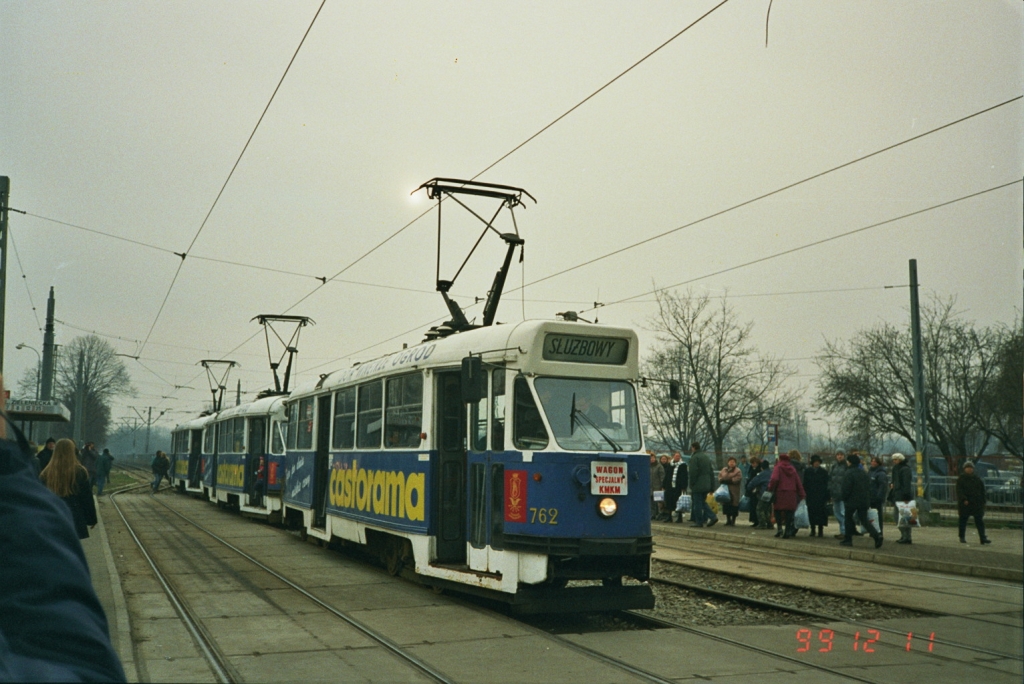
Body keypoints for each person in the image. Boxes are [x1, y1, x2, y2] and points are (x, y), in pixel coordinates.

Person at [39, 439, 97, 540]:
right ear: (72, 451)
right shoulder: (80, 471)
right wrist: (91, 519)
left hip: (52, 516)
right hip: (74, 516)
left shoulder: (46, 473)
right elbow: (86, 498)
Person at [839, 454, 882, 548]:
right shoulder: (863, 473)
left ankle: (848, 539)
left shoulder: (849, 473)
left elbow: (846, 488)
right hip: (864, 500)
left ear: (849, 462)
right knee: (864, 520)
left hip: (851, 501)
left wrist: (844, 497)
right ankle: (876, 535)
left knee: (848, 519)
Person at [768, 451, 805, 538]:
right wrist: (802, 494)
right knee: (789, 512)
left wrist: (770, 488)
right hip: (792, 493)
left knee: (778, 511)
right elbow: (798, 482)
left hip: (780, 493)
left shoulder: (778, 467)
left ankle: (779, 529)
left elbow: (774, 479)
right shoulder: (792, 469)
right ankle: (787, 531)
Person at [956, 461, 991, 545]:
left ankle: (982, 538)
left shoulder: (977, 479)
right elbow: (959, 491)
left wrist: (983, 500)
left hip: (977, 503)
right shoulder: (961, 479)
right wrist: (964, 499)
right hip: (965, 503)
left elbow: (982, 490)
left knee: (979, 521)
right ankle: (962, 536)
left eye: (971, 468)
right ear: (964, 469)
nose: (969, 469)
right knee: (963, 520)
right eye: (967, 468)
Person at [688, 442, 717, 527]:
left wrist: (692, 484)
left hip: (698, 484)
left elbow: (693, 472)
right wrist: (712, 486)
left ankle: (699, 521)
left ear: (693, 447)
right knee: (703, 502)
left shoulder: (694, 457)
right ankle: (712, 516)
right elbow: (711, 471)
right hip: (706, 484)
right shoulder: (706, 457)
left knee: (697, 504)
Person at [889, 452, 914, 544]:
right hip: (897, 495)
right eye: (893, 460)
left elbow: (906, 484)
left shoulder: (905, 469)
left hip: (903, 496)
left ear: (900, 459)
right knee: (899, 517)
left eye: (896, 459)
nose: (894, 461)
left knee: (904, 517)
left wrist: (906, 496)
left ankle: (907, 536)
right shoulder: (896, 469)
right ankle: (905, 536)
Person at [803, 454, 830, 537]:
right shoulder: (808, 471)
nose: (816, 464)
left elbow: (827, 484)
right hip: (810, 496)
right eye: (815, 462)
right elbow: (805, 484)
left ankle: (820, 530)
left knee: (821, 514)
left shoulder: (824, 472)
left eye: (818, 462)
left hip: (821, 496)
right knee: (811, 513)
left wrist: (827, 496)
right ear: (812, 463)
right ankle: (813, 529)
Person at [828, 451, 849, 539]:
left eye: (841, 455)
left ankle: (844, 532)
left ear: (844, 456)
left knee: (843, 513)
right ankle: (842, 530)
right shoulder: (834, 466)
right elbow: (830, 478)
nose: (839, 456)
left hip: (843, 494)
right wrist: (830, 489)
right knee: (837, 513)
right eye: (838, 455)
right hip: (835, 493)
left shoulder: (846, 466)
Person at [748, 459, 774, 529]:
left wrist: (749, 488)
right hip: (772, 493)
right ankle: (770, 524)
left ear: (761, 467)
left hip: (764, 493)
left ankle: (762, 524)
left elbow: (753, 482)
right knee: (767, 509)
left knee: (759, 508)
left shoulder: (762, 474)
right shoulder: (772, 473)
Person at [718, 457, 743, 526]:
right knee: (726, 504)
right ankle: (728, 520)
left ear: (735, 463)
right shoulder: (724, 469)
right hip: (725, 490)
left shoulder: (738, 471)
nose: (731, 463)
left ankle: (733, 521)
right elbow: (720, 476)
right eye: (730, 462)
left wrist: (730, 480)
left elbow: (738, 478)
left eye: (733, 462)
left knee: (734, 505)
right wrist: (721, 480)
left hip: (734, 491)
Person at [868, 455, 889, 533]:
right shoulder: (870, 472)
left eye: (875, 461)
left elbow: (882, 486)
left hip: (876, 498)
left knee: (878, 515)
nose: (873, 463)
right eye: (872, 461)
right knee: (871, 516)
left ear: (878, 463)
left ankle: (879, 531)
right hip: (870, 497)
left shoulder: (881, 474)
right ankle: (873, 530)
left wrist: (879, 497)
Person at [667, 452, 688, 522]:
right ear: (673, 457)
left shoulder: (683, 465)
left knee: (678, 502)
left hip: (678, 486)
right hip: (670, 486)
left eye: (678, 456)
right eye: (676, 456)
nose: (677, 457)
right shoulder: (670, 465)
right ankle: (669, 516)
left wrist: (684, 486)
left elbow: (685, 476)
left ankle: (679, 517)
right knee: (669, 501)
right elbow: (667, 475)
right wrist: (664, 485)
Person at [649, 452, 664, 520]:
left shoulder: (659, 466)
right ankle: (653, 514)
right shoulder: (647, 466)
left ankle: (660, 514)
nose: (652, 459)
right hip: (650, 487)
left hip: (657, 487)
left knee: (659, 502)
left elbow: (662, 476)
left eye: (653, 458)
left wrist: (662, 485)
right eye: (650, 458)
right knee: (651, 502)